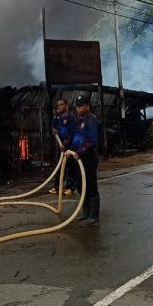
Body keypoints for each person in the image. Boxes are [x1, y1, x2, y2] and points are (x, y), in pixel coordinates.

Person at [68, 95, 100, 226]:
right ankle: (86, 213)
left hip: (87, 158)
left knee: (90, 186)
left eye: (81, 105)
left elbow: (93, 140)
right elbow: (73, 135)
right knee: (81, 186)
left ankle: (94, 216)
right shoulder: (77, 119)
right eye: (77, 105)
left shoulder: (91, 120)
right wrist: (68, 150)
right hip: (76, 158)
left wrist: (80, 152)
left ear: (88, 106)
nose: (78, 108)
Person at [49, 98, 77, 195]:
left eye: (61, 104)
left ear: (66, 105)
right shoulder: (57, 117)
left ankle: (70, 187)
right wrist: (53, 130)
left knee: (70, 166)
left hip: (70, 147)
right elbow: (52, 126)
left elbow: (73, 133)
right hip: (61, 146)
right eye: (58, 105)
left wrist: (66, 144)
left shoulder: (71, 117)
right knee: (60, 166)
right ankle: (57, 187)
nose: (59, 107)